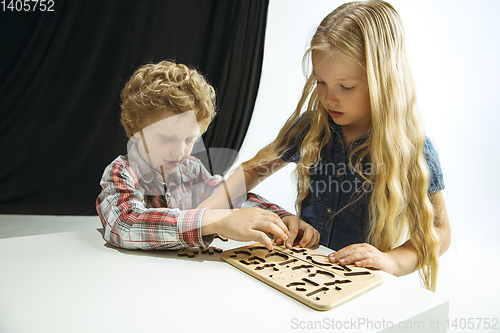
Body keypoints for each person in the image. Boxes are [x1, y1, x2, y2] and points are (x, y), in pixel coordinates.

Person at [237, 0, 451, 291]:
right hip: (300, 273)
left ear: (383, 81)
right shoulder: (310, 126)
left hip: (358, 286)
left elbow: (440, 230)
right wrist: (206, 218)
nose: (328, 99)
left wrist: (392, 261)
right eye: (320, 82)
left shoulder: (411, 148)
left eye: (345, 87)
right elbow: (251, 172)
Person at [96, 60, 320, 252]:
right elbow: (124, 226)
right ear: (137, 129)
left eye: (189, 140)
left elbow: (228, 197)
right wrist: (213, 220)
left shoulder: (190, 168)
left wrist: (278, 218)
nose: (180, 151)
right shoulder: (121, 172)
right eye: (167, 138)